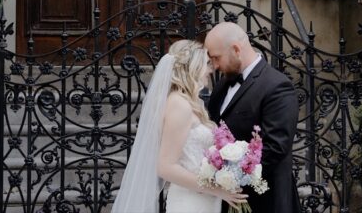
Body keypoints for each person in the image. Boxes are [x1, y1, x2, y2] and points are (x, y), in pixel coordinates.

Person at [113, 39, 247, 213]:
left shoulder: (190, 103)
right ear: (192, 66)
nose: (211, 69)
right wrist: (217, 189)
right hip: (190, 202)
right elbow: (166, 167)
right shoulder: (178, 105)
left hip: (204, 199)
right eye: (206, 64)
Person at [205, 23, 300, 213]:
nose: (214, 66)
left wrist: (232, 177)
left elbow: (275, 147)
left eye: (216, 58)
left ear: (236, 50)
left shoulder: (277, 86)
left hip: (265, 202)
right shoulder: (221, 86)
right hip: (226, 200)